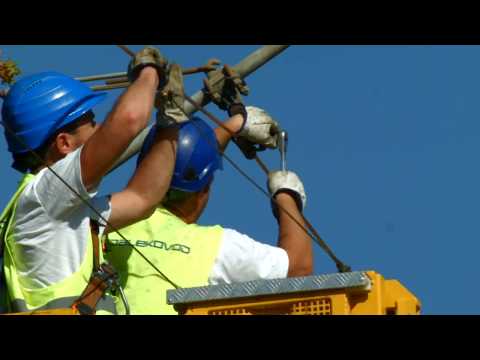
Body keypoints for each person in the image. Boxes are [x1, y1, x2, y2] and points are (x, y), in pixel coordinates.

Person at [0, 46, 189, 314]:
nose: (100, 130)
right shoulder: (45, 193)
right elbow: (129, 120)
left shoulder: (63, 212)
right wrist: (149, 72)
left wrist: (170, 122)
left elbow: (143, 198)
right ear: (64, 143)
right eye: (92, 123)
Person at [105, 103, 313, 315]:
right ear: (204, 190)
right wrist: (287, 196)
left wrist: (235, 125)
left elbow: (176, 161)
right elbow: (297, 268)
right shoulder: (215, 247)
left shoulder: (106, 218)